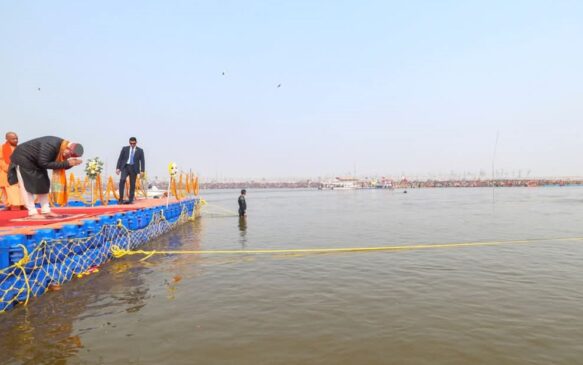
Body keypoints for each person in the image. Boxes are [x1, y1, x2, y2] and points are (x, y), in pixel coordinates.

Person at [8, 136, 83, 219]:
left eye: (69, 156)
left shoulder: (62, 147)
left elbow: (58, 164)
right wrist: (68, 163)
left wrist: (72, 164)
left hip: (37, 162)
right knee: (27, 186)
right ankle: (32, 212)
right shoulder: (50, 146)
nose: (67, 157)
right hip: (23, 159)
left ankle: (46, 211)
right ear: (68, 147)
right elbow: (44, 163)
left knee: (44, 185)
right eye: (68, 154)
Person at [116, 137, 145, 204]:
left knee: (132, 184)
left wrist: (142, 170)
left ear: (136, 142)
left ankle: (131, 199)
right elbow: (120, 158)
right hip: (125, 167)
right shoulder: (125, 149)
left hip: (134, 168)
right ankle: (120, 199)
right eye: (131, 143)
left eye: (133, 143)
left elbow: (142, 161)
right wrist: (118, 168)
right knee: (122, 180)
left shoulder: (140, 150)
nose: (132, 145)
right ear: (129, 142)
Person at [0, 132, 23, 210]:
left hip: (18, 171)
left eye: (16, 138)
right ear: (7, 139)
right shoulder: (2, 148)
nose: (16, 140)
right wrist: (8, 168)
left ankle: (18, 204)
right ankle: (9, 205)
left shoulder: (20, 148)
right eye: (13, 139)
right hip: (6, 172)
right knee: (6, 190)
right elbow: (1, 160)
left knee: (16, 189)